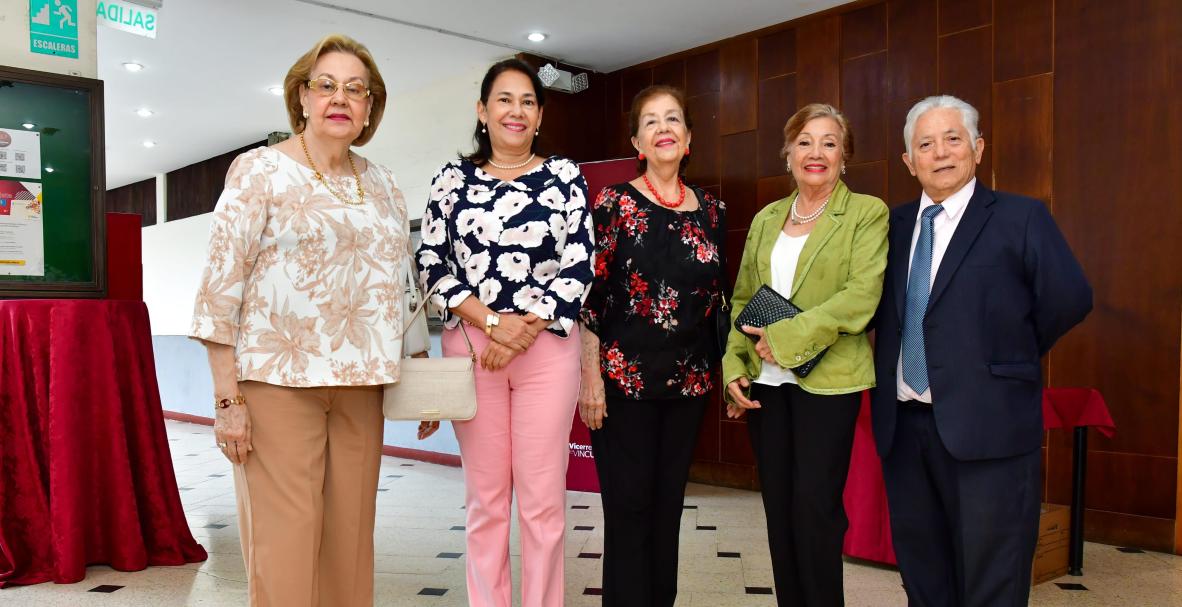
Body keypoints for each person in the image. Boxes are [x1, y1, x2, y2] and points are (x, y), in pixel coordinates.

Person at [189, 34, 411, 606]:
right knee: (284, 550)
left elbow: (397, 281)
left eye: (355, 89)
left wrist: (417, 360)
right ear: (302, 98)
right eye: (326, 85)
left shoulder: (383, 184)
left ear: (369, 107)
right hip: (277, 386)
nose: (341, 98)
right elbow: (219, 289)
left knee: (350, 546)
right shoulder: (259, 171)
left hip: (362, 386)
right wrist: (227, 399)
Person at [871, 95, 1092, 607]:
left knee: (992, 577)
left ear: (978, 149)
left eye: (953, 139)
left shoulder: (1021, 217)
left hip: (990, 426)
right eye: (925, 144)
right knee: (923, 576)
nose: (940, 152)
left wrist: (1008, 356)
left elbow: (1070, 298)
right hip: (904, 430)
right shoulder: (891, 226)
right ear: (909, 161)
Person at [415, 58, 594, 607]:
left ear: (539, 116)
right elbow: (431, 261)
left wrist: (525, 328)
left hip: (546, 355)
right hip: (473, 351)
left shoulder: (565, 176)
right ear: (482, 111)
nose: (516, 111)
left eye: (528, 102)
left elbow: (580, 261)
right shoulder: (452, 179)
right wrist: (492, 323)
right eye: (504, 99)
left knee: (543, 502)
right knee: (486, 501)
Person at [722, 103, 888, 606]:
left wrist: (787, 339)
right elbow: (743, 299)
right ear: (789, 153)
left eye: (829, 142)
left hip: (828, 383)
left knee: (816, 511)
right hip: (767, 386)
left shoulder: (866, 212)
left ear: (845, 156)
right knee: (780, 510)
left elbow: (861, 297)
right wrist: (734, 364)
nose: (816, 152)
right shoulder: (767, 217)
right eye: (805, 142)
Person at [577, 85, 726, 607]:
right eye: (652, 121)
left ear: (688, 138)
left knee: (668, 509)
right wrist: (590, 377)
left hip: (688, 384)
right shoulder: (613, 203)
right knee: (628, 509)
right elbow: (590, 298)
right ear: (637, 140)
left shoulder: (711, 207)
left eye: (674, 120)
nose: (664, 128)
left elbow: (716, 298)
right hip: (623, 384)